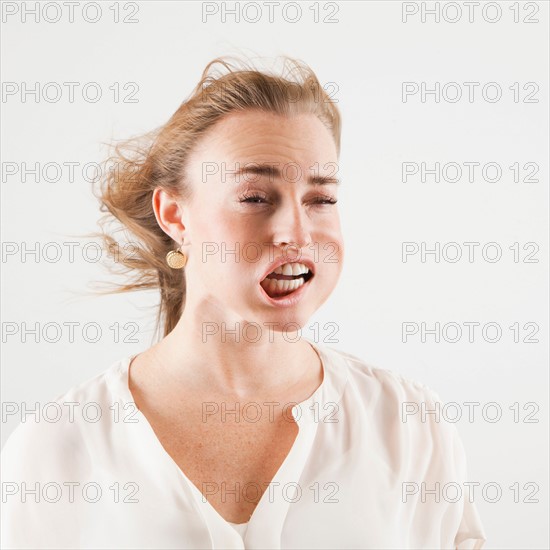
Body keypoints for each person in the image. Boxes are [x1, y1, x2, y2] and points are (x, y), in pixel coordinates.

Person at [1, 56, 486, 549]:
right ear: (175, 215)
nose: (296, 233)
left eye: (321, 199)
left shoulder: (407, 424)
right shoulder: (59, 444)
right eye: (255, 197)